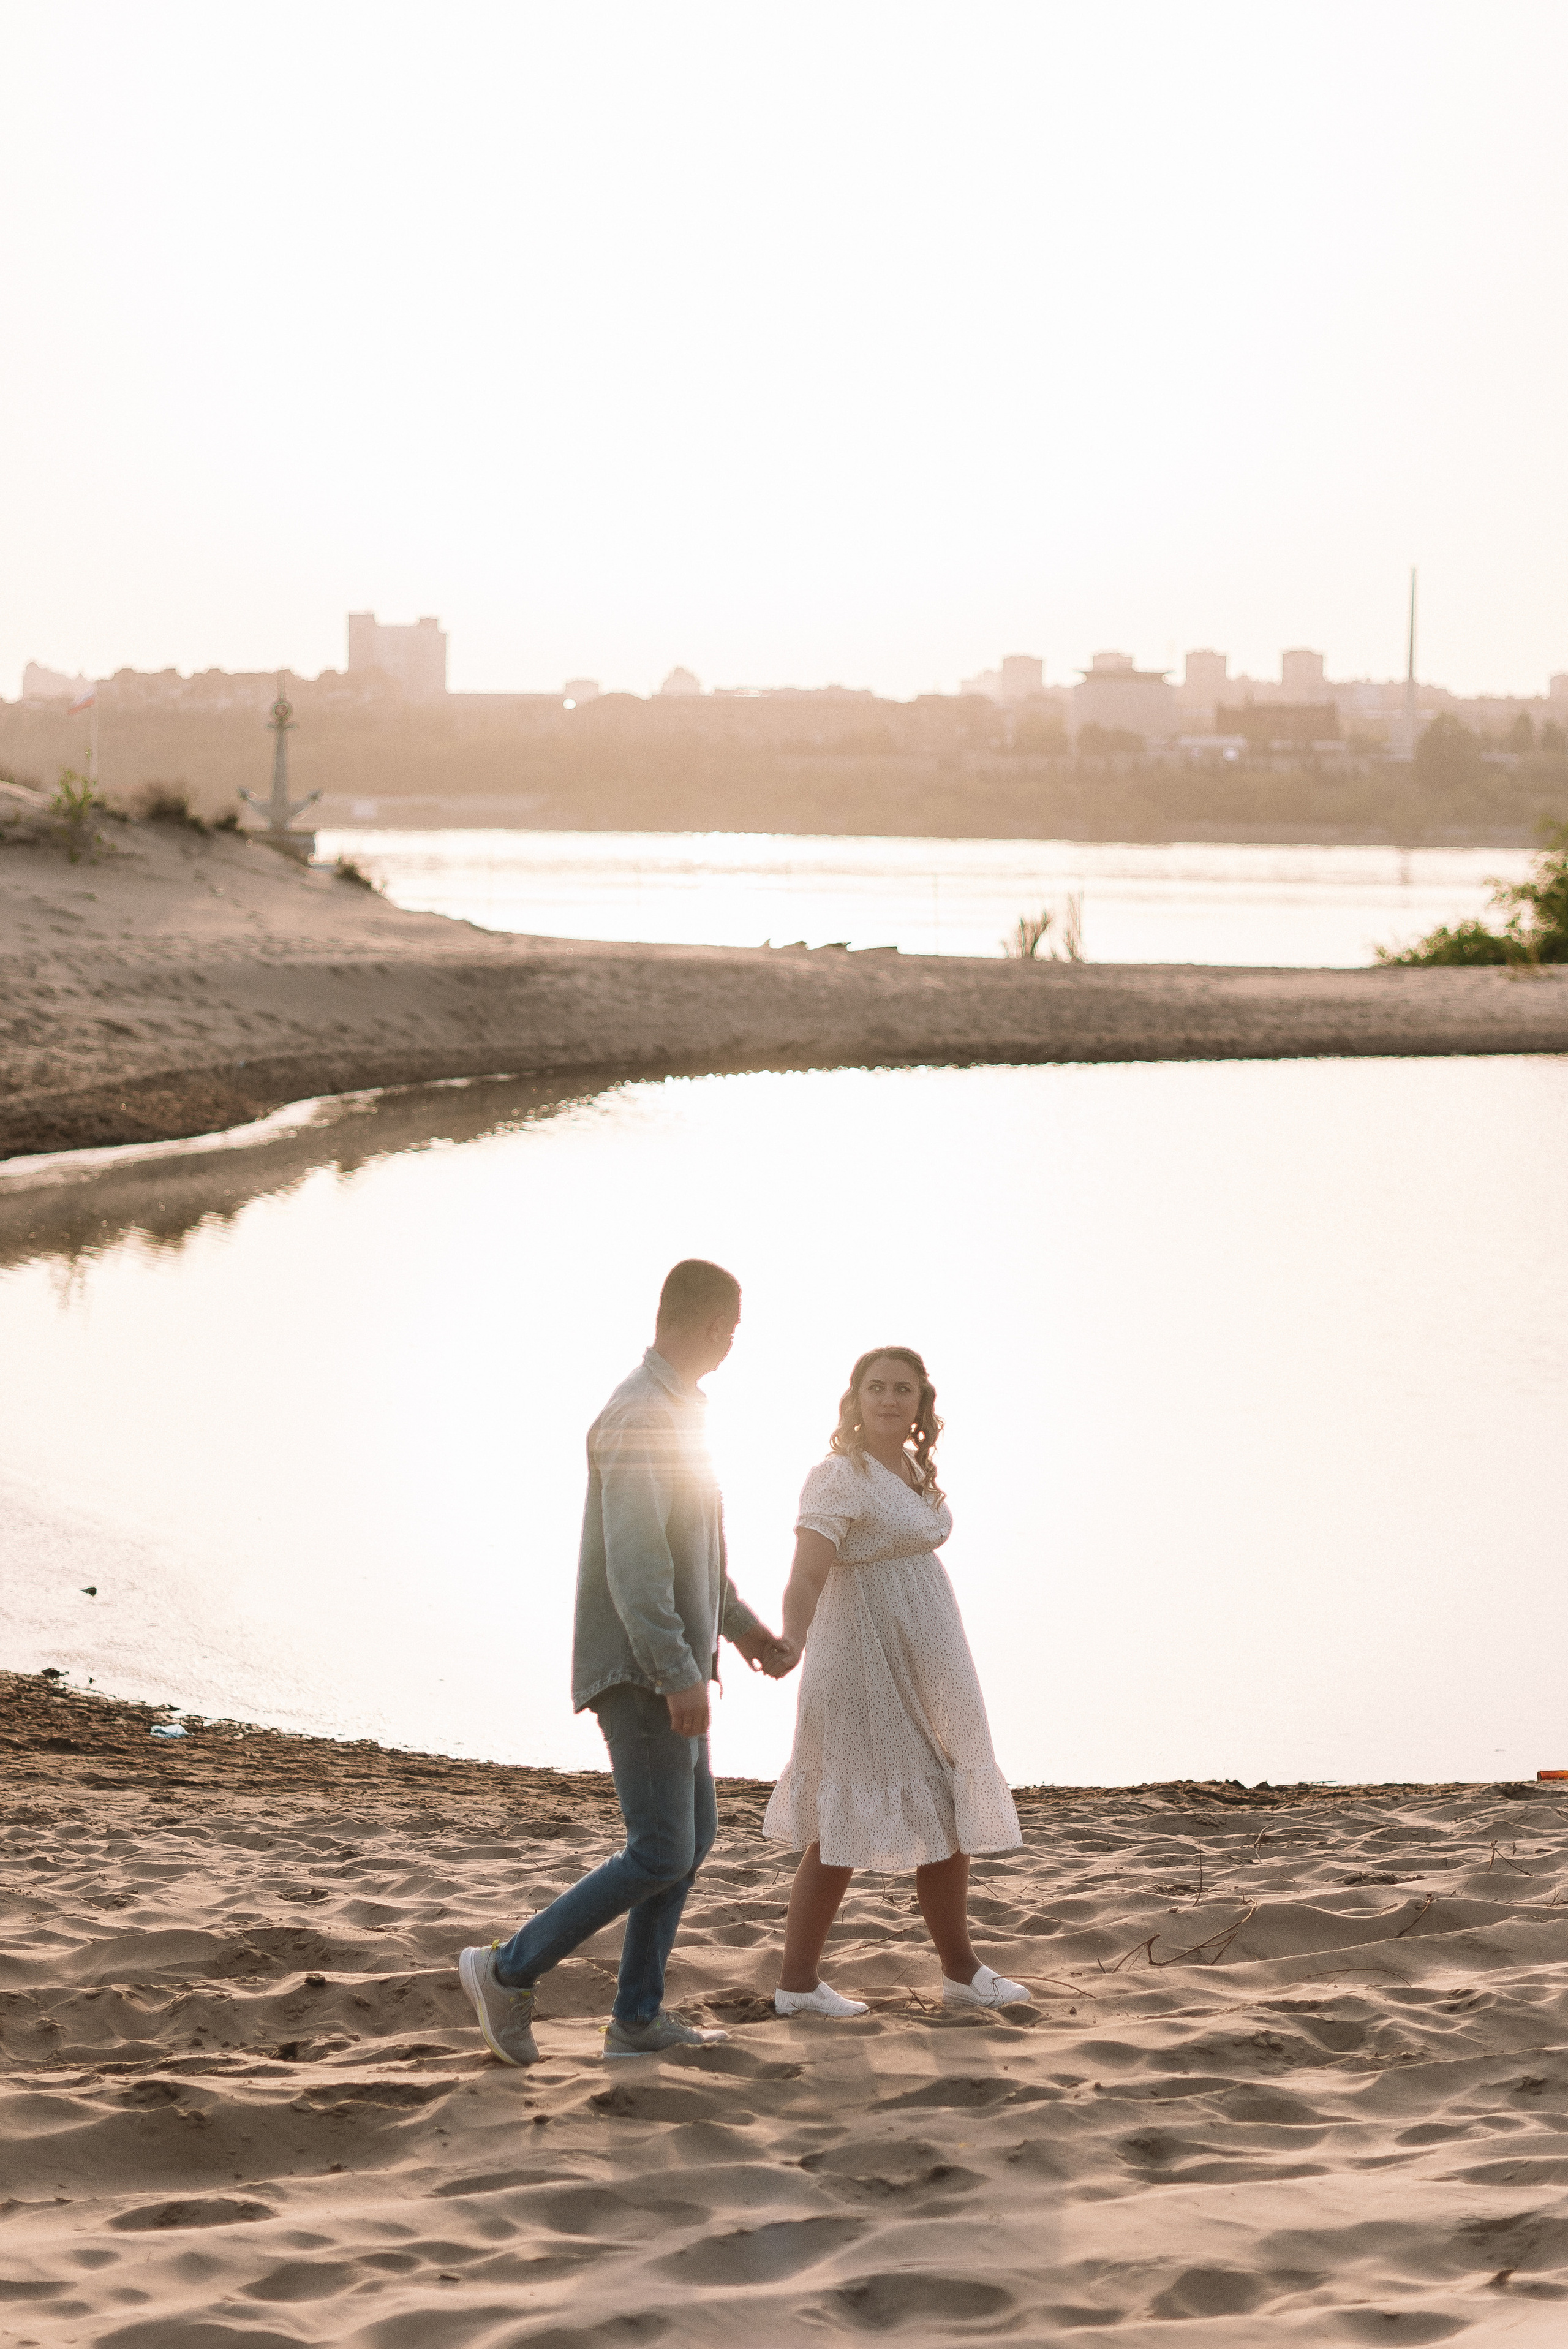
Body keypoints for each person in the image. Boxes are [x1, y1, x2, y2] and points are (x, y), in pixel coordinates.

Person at [459, 1258, 794, 2064]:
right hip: (641, 1671)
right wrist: (676, 1671)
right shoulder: (641, 1415)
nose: (733, 1343)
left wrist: (746, 1633)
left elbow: (694, 1562)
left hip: (672, 1664)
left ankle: (637, 2018)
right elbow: (636, 1565)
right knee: (661, 1848)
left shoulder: (678, 1413)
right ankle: (506, 1969)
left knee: (691, 1839)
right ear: (712, 1325)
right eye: (732, 1329)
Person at [763, 1346, 1028, 2016]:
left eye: (902, 1389)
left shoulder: (912, 1470)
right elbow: (806, 1574)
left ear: (920, 1403)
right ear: (855, 1398)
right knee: (842, 1820)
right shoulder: (837, 1477)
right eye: (876, 1387)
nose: (889, 1399)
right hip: (861, 1661)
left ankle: (960, 1972)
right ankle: (798, 1984)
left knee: (947, 1802)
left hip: (927, 1661)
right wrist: (790, 1638)